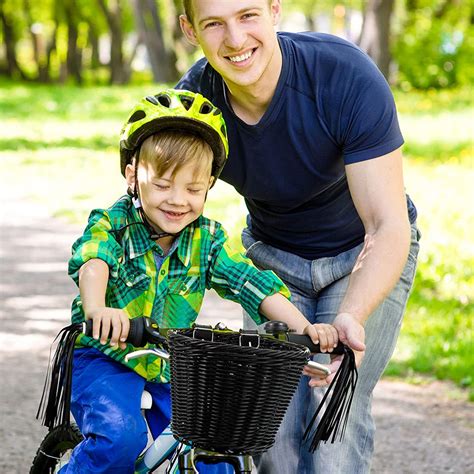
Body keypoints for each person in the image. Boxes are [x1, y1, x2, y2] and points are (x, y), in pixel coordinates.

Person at [176, 1, 421, 473]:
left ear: (274, 10)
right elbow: (164, 206)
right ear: (190, 31)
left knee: (331, 427)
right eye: (214, 24)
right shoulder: (195, 105)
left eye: (248, 15)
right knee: (268, 435)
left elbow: (387, 225)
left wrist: (352, 314)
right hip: (273, 263)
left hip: (360, 258)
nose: (235, 39)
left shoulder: (343, 76)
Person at [58, 88, 339, 473]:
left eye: (193, 189)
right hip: (103, 356)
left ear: (209, 184)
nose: (178, 201)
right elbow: (94, 260)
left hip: (173, 365)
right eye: (162, 185)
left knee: (215, 451)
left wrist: (306, 330)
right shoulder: (113, 223)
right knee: (119, 440)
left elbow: (250, 283)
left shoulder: (207, 239)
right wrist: (97, 308)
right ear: (131, 174)